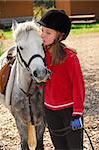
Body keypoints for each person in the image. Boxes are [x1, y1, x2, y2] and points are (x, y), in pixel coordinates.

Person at [38, 9, 85, 150]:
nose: (43, 35)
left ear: (60, 35)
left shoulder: (70, 58)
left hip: (70, 111)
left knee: (75, 147)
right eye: (42, 30)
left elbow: (79, 85)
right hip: (50, 110)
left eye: (48, 32)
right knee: (59, 147)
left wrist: (77, 112)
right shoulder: (40, 56)